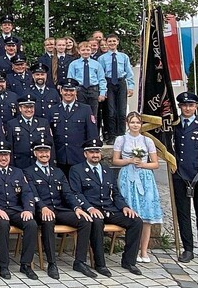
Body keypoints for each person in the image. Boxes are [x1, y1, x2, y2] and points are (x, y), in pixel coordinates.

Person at [69, 138, 143, 277]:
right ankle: (100, 264)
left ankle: (129, 261)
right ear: (85, 154)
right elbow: (76, 193)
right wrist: (89, 208)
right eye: (92, 152)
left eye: (97, 152)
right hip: (92, 209)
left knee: (136, 221)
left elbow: (115, 192)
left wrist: (124, 207)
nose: (95, 155)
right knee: (96, 222)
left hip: (110, 209)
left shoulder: (106, 169)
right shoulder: (77, 170)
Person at [24, 137, 92, 280]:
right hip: (41, 210)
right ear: (35, 153)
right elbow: (31, 194)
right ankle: (52, 263)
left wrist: (77, 208)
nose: (44, 154)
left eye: (46, 151)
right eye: (41, 151)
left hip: (59, 209)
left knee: (84, 220)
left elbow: (67, 193)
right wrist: (42, 207)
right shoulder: (28, 171)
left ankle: (79, 262)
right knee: (48, 221)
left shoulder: (58, 172)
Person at [169, 92, 198, 264]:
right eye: (184, 105)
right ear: (180, 107)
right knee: (183, 213)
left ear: (196, 106)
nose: (187, 108)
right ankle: (187, 248)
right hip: (180, 175)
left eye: (191, 105)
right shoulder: (173, 126)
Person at [0, 140, 38, 280]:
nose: (3, 158)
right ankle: (4, 265)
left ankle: (26, 265)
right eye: (0, 155)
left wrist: (28, 209)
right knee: (3, 224)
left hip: (16, 210)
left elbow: (27, 193)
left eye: (6, 154)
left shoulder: (18, 172)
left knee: (31, 224)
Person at [112, 112, 163, 262]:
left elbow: (155, 163)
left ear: (141, 124)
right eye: (132, 122)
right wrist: (129, 161)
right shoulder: (121, 139)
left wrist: (142, 164)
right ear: (128, 124)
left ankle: (144, 251)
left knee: (145, 216)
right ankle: (129, 249)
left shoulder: (147, 141)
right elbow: (115, 160)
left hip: (144, 176)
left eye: (138, 122)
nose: (135, 125)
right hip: (128, 176)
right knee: (131, 212)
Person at [49, 78, 97, 177]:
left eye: (71, 90)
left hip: (78, 157)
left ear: (76, 92)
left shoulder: (85, 109)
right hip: (59, 158)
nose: (68, 93)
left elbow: (92, 135)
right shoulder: (52, 110)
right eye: (66, 90)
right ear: (61, 91)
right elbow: (49, 135)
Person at [97, 34, 135, 142]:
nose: (112, 43)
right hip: (109, 83)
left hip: (121, 83)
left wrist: (131, 86)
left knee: (122, 112)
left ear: (117, 42)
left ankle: (122, 135)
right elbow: (101, 75)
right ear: (106, 43)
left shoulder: (124, 57)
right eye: (110, 41)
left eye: (114, 41)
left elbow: (129, 72)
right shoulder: (102, 58)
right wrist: (102, 90)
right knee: (111, 111)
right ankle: (112, 136)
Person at [7, 94, 53, 170]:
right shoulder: (12, 124)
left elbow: (50, 146)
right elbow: (10, 148)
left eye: (31, 107)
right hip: (20, 165)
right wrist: (12, 168)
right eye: (25, 107)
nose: (29, 110)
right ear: (20, 108)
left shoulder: (43, 123)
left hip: (39, 164)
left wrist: (51, 164)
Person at [65, 41, 106, 121]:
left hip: (93, 90)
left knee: (93, 115)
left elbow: (101, 79)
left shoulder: (97, 64)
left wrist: (102, 93)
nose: (85, 52)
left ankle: (93, 132)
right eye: (83, 50)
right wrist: (73, 92)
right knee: (79, 113)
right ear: (79, 51)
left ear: (91, 51)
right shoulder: (74, 64)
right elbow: (70, 79)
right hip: (80, 90)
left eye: (88, 50)